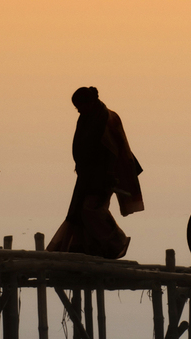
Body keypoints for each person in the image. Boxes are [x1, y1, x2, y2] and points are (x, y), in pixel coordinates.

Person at [47, 87, 143, 259]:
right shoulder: (86, 118)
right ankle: (90, 249)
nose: (79, 111)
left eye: (80, 106)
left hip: (105, 177)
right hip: (87, 176)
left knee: (91, 210)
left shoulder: (107, 119)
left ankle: (116, 242)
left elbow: (116, 151)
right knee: (80, 213)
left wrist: (109, 176)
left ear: (90, 102)